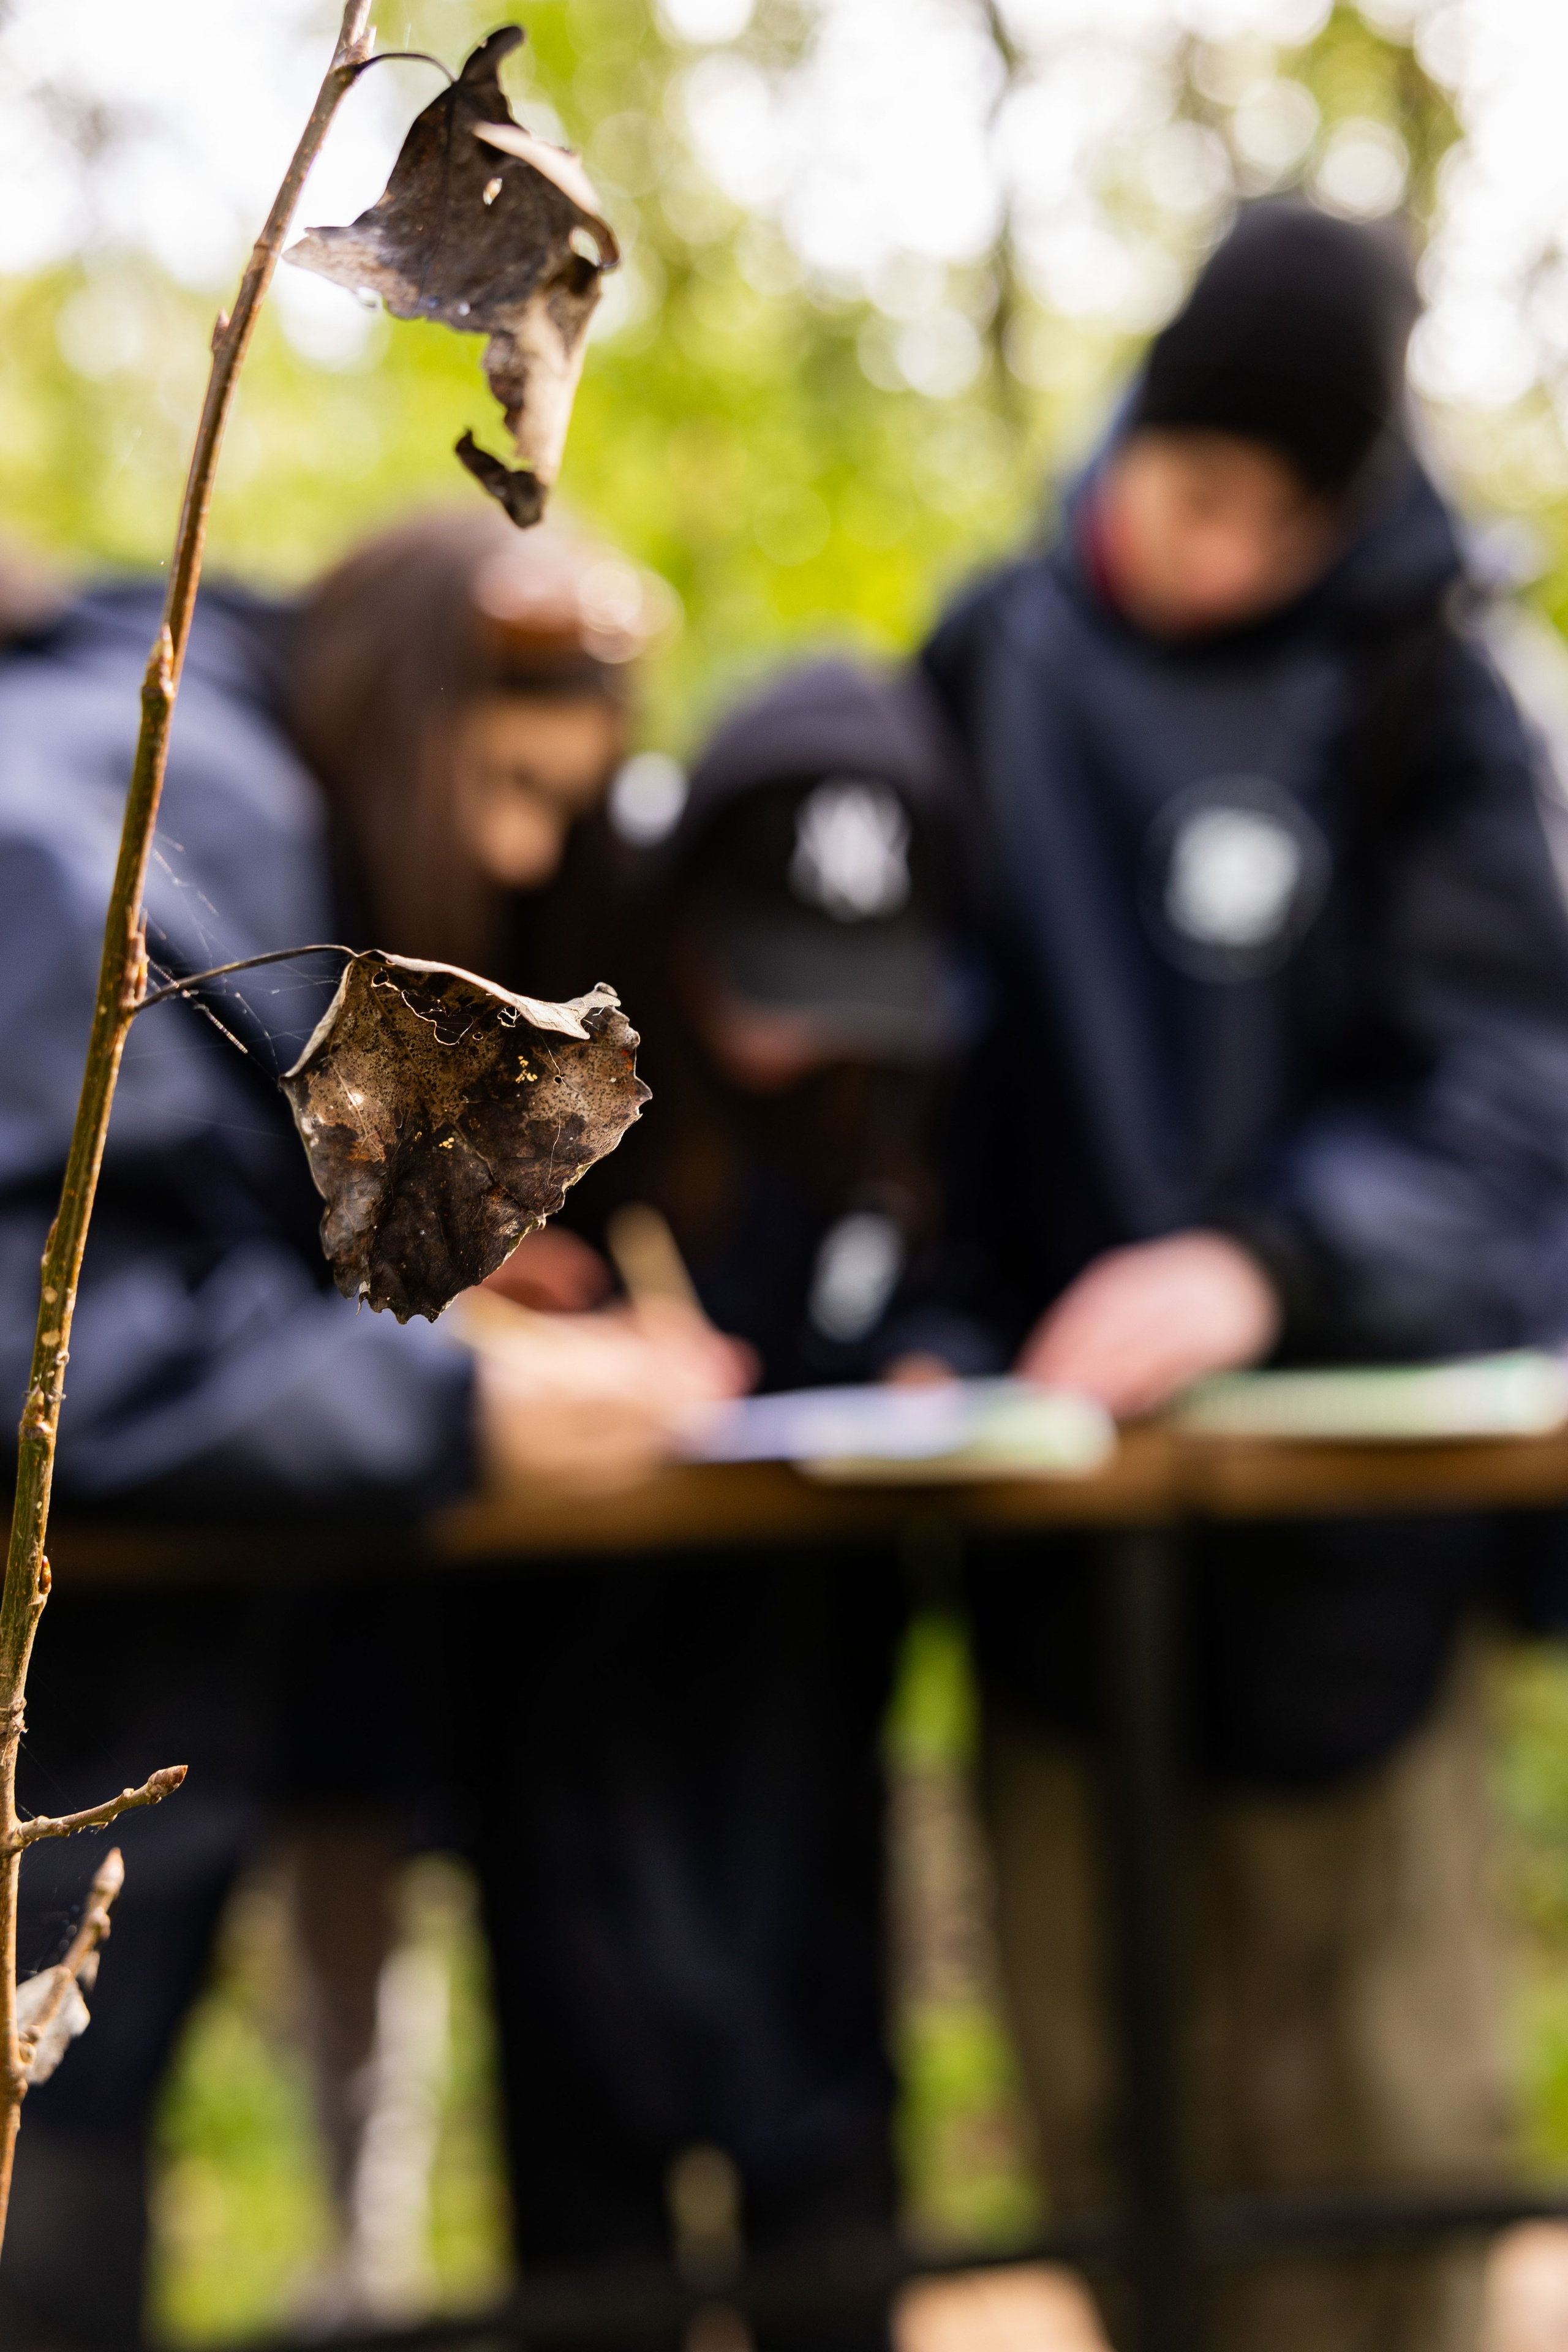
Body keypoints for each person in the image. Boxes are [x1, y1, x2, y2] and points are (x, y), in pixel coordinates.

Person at [921, 199, 1568, 2352]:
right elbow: (896, 1087)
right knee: (1122, 2158)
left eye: (1287, 516)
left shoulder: (1429, 694)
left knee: (1382, 2159)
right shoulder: (987, 660)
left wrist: (1269, 1265)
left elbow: (1514, 1106)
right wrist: (906, 1335)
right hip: (1054, 1588)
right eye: (1204, 488)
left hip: (1344, 1593)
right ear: (1144, 433)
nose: (1226, 552)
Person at [0, 503, 710, 2346]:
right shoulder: (132, 808)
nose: (514, 847)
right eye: (505, 781)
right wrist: (439, 1412)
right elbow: (40, 1322)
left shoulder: (186, 787)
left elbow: (149, 1218)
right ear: (403, 707)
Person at [449, 658, 987, 2352]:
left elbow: (965, 1277)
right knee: (591, 2211)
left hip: (810, 1715)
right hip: (571, 1726)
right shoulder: (547, 1035)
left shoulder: (902, 1091)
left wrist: (930, 1366)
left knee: (830, 2183)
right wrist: (500, 1307)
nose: (788, 1027)